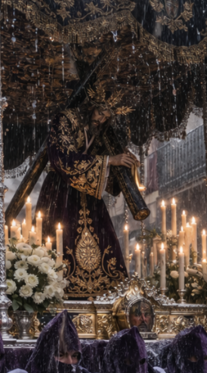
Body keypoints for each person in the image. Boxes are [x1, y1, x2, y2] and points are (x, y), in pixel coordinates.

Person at [35, 84, 147, 298]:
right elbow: (62, 158)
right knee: (61, 239)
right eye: (100, 113)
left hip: (89, 195)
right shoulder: (64, 120)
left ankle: (107, 295)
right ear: (90, 106)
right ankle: (55, 290)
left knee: (103, 244)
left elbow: (109, 167)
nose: (102, 119)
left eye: (107, 117)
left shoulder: (101, 131)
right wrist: (108, 161)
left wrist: (124, 163)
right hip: (61, 191)